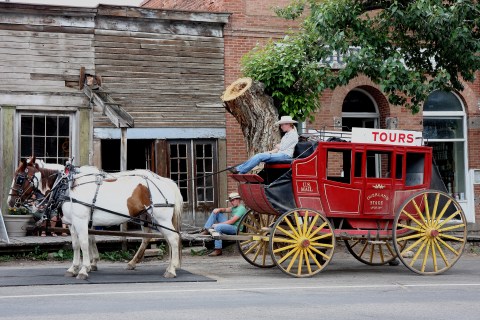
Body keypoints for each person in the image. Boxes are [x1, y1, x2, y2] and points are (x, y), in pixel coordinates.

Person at [229, 116, 299, 174]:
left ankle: (240, 171)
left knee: (259, 156)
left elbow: (282, 147)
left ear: (288, 124)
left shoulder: (293, 134)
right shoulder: (287, 135)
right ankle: (238, 169)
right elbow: (278, 148)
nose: (281, 127)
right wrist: (269, 152)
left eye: (282, 125)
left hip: (285, 156)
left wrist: (277, 145)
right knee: (259, 155)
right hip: (281, 154)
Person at [199, 192, 247, 256]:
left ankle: (218, 249)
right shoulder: (234, 208)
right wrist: (218, 209)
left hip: (235, 228)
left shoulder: (241, 209)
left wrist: (218, 224)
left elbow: (232, 221)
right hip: (230, 226)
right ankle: (207, 229)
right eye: (231, 201)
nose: (231, 202)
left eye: (233, 200)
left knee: (218, 227)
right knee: (216, 212)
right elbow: (225, 209)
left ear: (238, 199)